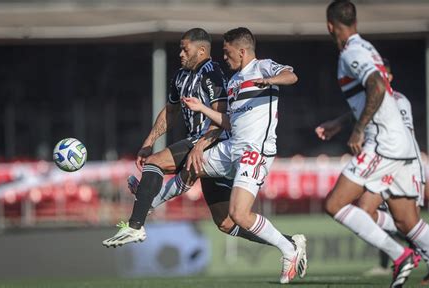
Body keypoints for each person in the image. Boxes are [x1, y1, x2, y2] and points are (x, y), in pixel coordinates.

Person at [102, 28, 293, 250]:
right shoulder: (181, 76)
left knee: (156, 163)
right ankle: (288, 242)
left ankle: (137, 223)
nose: (181, 53)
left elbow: (223, 118)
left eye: (185, 49)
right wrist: (148, 142)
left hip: (215, 140)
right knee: (226, 223)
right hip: (207, 144)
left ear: (201, 50)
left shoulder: (214, 74)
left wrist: (200, 146)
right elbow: (170, 112)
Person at [317, 1, 429, 287]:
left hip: (383, 142)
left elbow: (376, 85)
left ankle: (400, 255)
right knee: (406, 222)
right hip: (399, 142)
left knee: (335, 204)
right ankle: (426, 259)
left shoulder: (351, 52)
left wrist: (359, 129)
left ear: (330, 26)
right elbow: (375, 93)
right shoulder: (366, 47)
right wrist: (342, 122)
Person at [179, 27, 307, 284]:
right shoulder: (235, 80)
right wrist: (203, 108)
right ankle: (146, 204)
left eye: (227, 53)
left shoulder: (263, 67)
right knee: (192, 165)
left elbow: (291, 76)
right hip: (233, 148)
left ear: (242, 50)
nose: (224, 58)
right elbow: (229, 122)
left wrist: (269, 81)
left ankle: (289, 248)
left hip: (255, 151)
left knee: (239, 214)